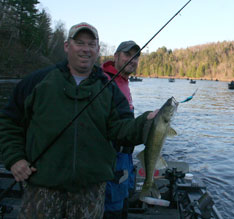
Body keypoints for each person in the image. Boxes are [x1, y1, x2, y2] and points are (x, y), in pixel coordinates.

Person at [0, 22, 157, 218]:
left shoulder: (110, 91)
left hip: (90, 192)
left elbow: (122, 130)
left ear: (98, 50)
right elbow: (9, 122)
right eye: (79, 43)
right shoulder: (38, 82)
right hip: (41, 186)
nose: (85, 49)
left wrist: (147, 122)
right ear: (67, 46)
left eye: (91, 45)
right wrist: (15, 158)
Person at [101, 40, 141, 218]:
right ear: (116, 56)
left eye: (136, 57)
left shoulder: (124, 81)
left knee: (124, 202)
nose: (132, 60)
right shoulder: (103, 80)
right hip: (110, 159)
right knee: (112, 210)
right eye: (127, 55)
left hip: (126, 157)